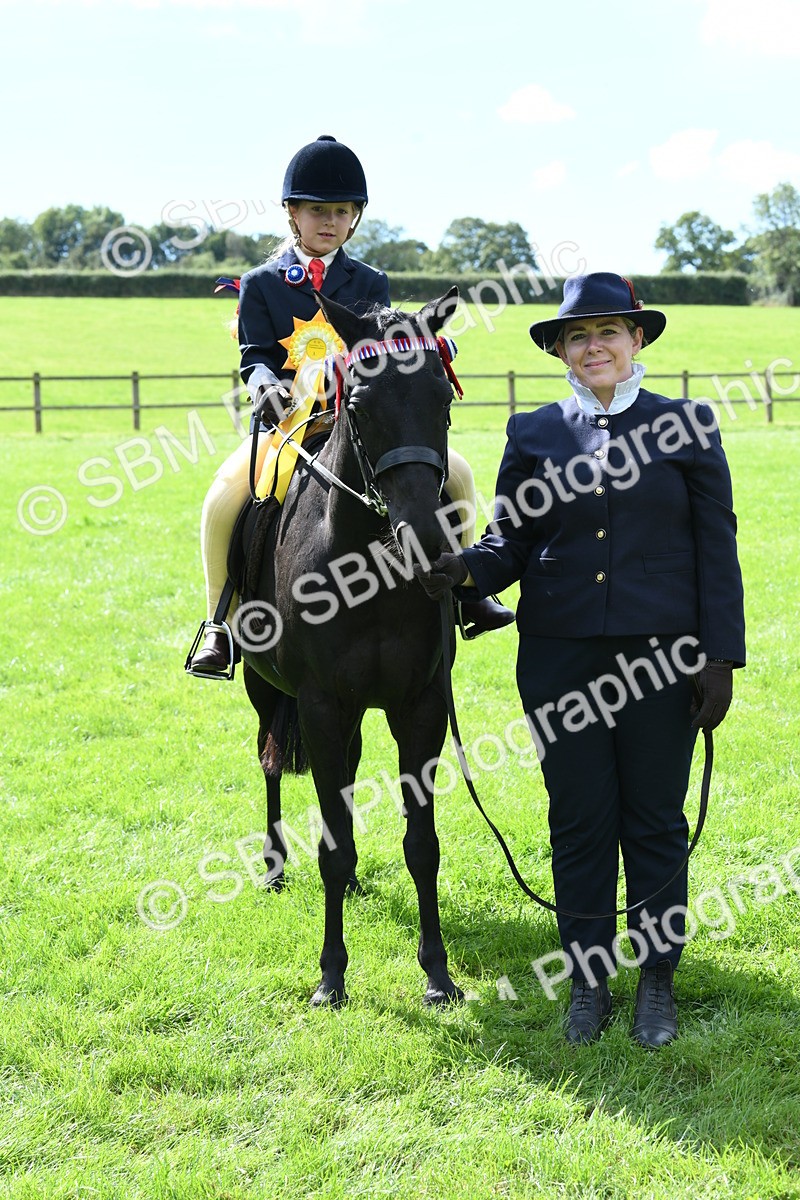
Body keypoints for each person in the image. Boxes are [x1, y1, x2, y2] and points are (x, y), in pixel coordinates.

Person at [414, 272, 745, 1048]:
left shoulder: (687, 425)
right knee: (580, 819)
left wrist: (720, 658)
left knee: (654, 819)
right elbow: (512, 543)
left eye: (608, 333)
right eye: (577, 337)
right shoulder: (533, 433)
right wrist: (460, 571)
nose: (594, 346)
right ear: (561, 352)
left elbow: (716, 549)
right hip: (560, 660)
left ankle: (656, 980)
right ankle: (589, 981)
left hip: (664, 660)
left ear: (637, 341)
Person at [187, 134, 513, 676]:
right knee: (224, 498)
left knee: (455, 473)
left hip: (358, 417)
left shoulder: (369, 281)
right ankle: (219, 624)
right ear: (292, 214)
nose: (330, 221)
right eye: (318, 211)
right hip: (289, 421)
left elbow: (384, 348)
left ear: (355, 218)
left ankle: (466, 592)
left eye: (342, 211)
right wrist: (265, 385)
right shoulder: (262, 285)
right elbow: (254, 356)